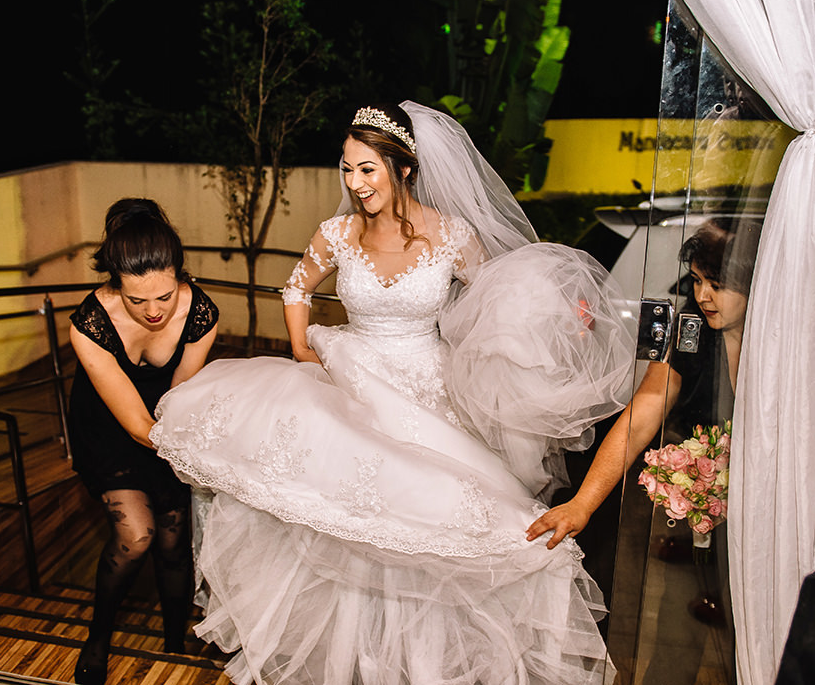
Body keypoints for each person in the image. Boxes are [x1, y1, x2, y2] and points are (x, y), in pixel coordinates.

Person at [151, 103, 633, 684]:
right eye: (346, 170)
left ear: (402, 169)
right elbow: (296, 287)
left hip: (430, 388)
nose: (355, 185)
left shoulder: (453, 235)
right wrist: (303, 348)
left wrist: (550, 315)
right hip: (351, 377)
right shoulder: (337, 234)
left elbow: (492, 297)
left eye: (367, 170)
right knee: (348, 522)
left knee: (436, 521)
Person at [528, 217, 761, 685]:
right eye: (696, 282)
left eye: (716, 285)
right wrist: (582, 504)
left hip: (759, 524)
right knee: (676, 631)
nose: (702, 297)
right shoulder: (690, 334)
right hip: (693, 521)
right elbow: (639, 418)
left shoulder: (783, 343)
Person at [67, 198, 218, 684]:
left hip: (167, 420)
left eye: (165, 295)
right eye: (137, 301)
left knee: (175, 542)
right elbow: (134, 424)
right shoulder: (89, 324)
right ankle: (97, 638)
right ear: (115, 283)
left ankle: (175, 642)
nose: (153, 311)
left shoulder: (200, 312)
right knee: (137, 536)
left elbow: (179, 397)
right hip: (110, 427)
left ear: (179, 274)